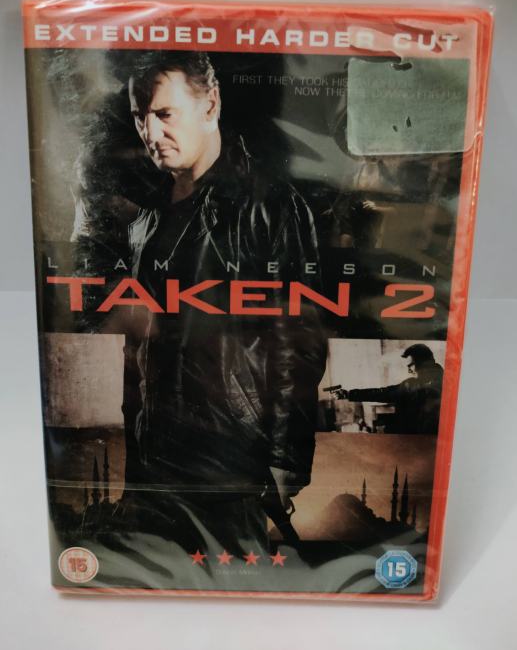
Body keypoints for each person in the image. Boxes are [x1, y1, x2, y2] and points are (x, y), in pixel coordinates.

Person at [113, 51, 328, 551]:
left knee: (234, 582)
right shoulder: (146, 220)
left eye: (164, 113)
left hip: (232, 458)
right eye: (140, 118)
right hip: (154, 460)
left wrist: (286, 458)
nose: (151, 132)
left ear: (210, 105)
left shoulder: (270, 206)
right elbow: (139, 350)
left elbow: (298, 342)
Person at [330, 344, 443, 434]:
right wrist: (349, 394)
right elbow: (383, 393)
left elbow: (383, 393)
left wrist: (349, 394)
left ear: (425, 363)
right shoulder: (445, 381)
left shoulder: (416, 385)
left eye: (411, 366)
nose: (409, 371)